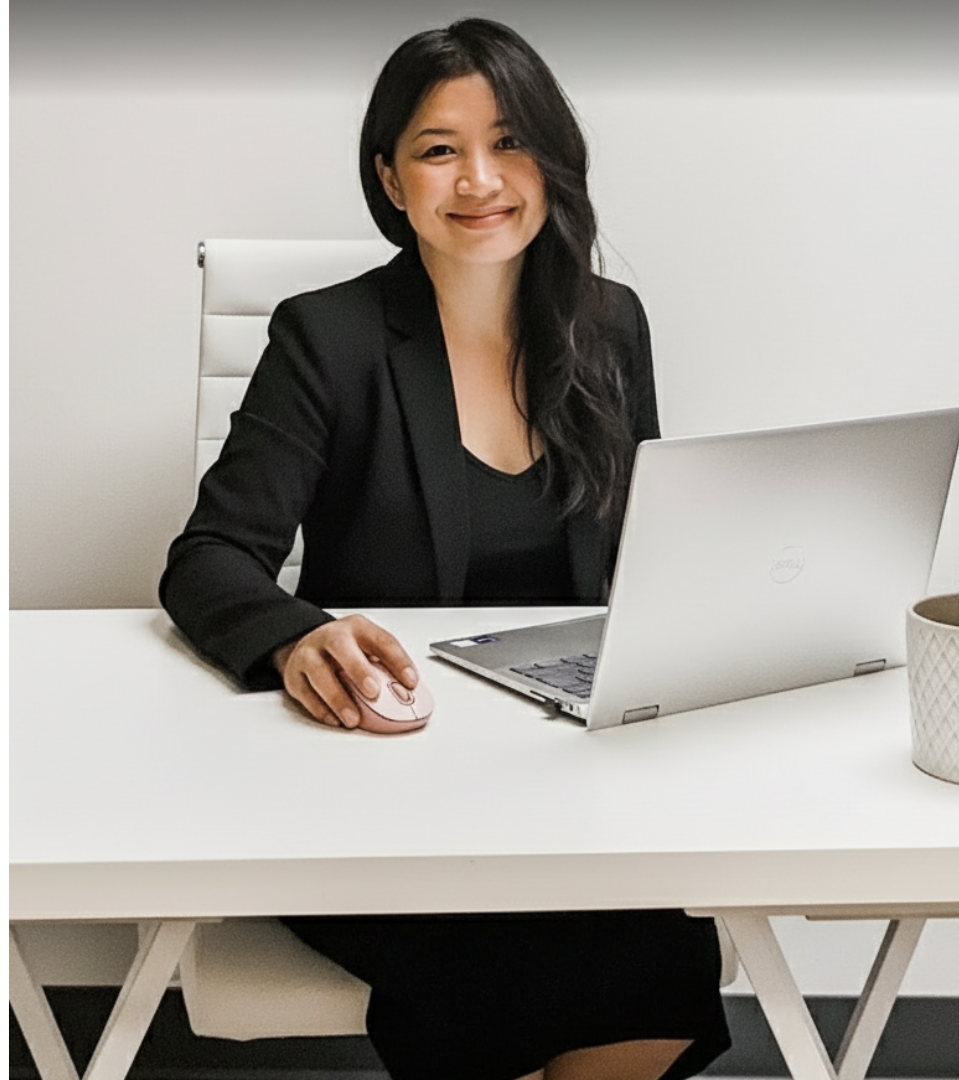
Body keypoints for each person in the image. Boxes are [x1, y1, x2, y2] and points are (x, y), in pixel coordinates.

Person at [161, 17, 729, 1080]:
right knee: (495, 946)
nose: (480, 178)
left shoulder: (611, 329)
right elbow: (209, 558)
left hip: (569, 778)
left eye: (510, 141)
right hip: (384, 784)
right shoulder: (324, 338)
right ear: (390, 178)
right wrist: (294, 639)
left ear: (554, 160)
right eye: (437, 149)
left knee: (643, 940)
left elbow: (654, 555)